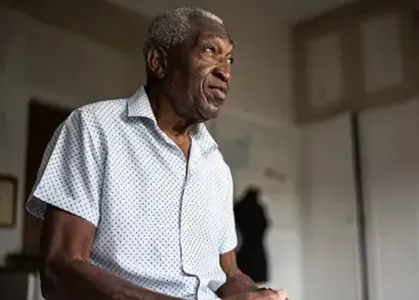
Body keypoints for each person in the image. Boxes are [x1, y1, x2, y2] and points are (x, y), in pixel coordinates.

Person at [26, 6, 288, 300]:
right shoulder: (94, 128)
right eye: (209, 52)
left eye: (229, 59)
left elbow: (228, 273)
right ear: (158, 62)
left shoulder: (216, 166)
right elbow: (60, 270)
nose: (225, 71)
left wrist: (255, 294)